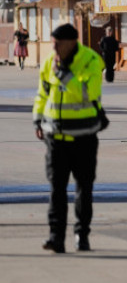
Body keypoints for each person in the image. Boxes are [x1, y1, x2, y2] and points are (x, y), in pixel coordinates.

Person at [32, 23, 108, 253]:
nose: (53, 47)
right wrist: (38, 119)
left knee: (84, 187)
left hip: (84, 136)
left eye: (57, 43)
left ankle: (81, 235)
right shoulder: (49, 62)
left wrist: (64, 76)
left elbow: (89, 92)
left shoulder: (91, 61)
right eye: (52, 43)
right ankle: (56, 237)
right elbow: (42, 93)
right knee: (56, 188)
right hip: (55, 137)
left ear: (72, 42)